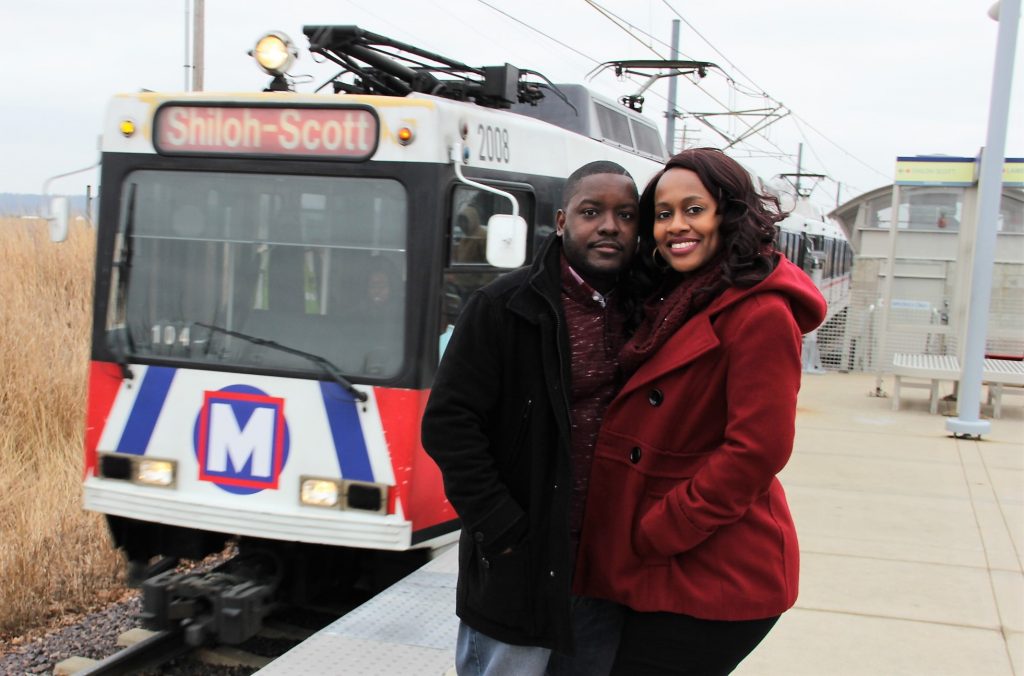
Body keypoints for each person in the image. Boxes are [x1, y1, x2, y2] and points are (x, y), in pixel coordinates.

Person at [573, 148, 827, 675]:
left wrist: (664, 527)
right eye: (662, 215)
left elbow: (758, 450)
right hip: (660, 561)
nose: (675, 227)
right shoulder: (678, 297)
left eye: (694, 209)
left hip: (711, 566)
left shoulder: (759, 312)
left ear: (728, 213)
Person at [421, 160, 640, 675]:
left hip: (603, 569)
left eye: (625, 214)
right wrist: (502, 529)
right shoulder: (503, 306)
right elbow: (449, 423)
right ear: (562, 222)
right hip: (519, 567)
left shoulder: (644, 311)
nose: (609, 225)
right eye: (592, 211)